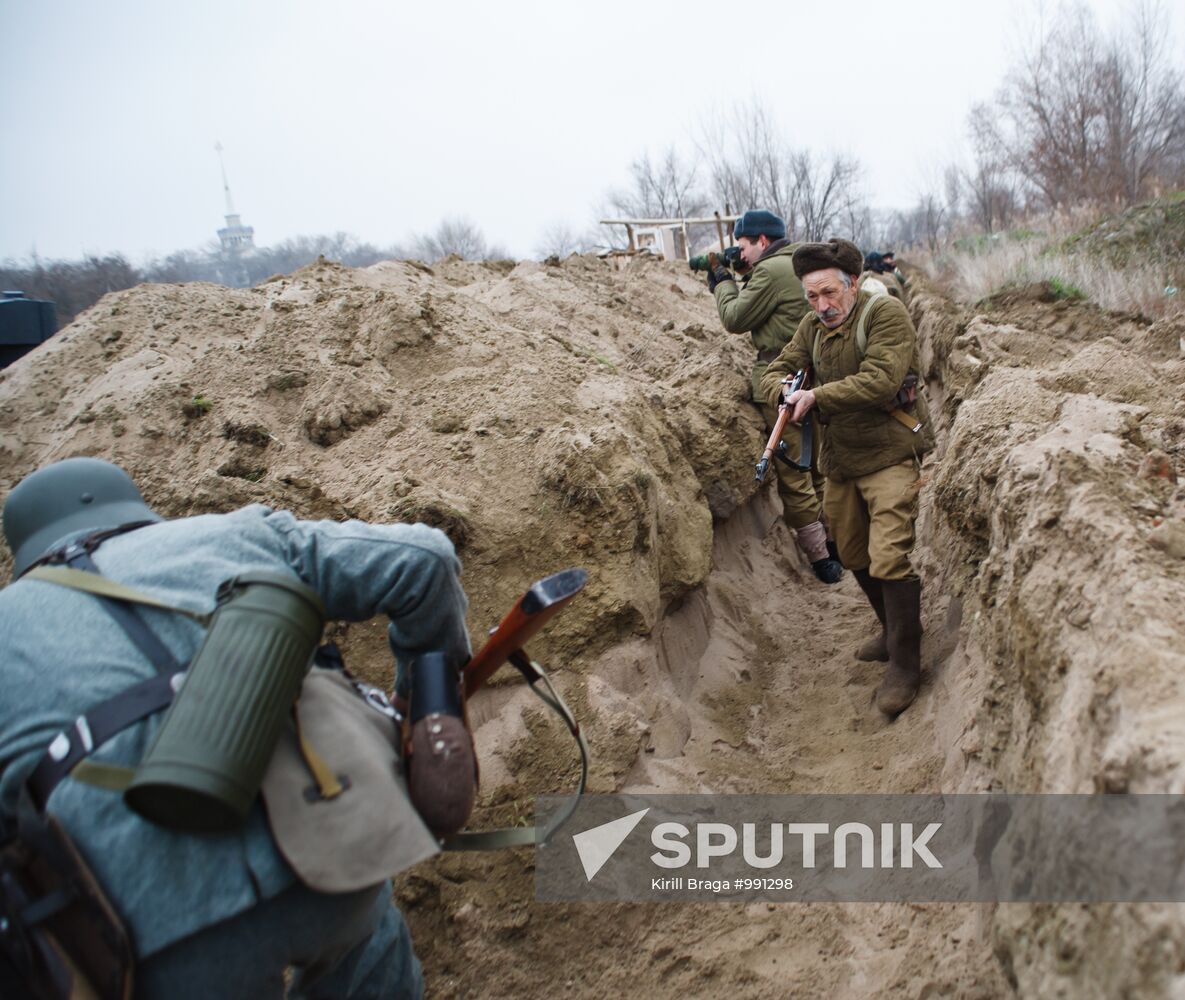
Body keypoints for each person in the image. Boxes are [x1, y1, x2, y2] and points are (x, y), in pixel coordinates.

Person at [0, 457, 472, 998]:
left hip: (154, 930)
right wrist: (423, 705)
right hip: (333, 851)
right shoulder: (232, 532)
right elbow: (426, 559)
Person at [760, 239, 935, 716]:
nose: (823, 305)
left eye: (830, 293)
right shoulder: (811, 328)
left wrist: (815, 398)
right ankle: (889, 628)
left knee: (889, 557)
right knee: (853, 552)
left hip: (889, 455)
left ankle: (905, 662)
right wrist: (784, 388)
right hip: (842, 463)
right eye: (812, 297)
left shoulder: (885, 315)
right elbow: (776, 368)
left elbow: (881, 378)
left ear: (852, 284)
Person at [706, 209, 842, 584]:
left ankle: (821, 559)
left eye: (744, 245)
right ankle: (834, 543)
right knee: (817, 466)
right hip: (818, 375)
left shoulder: (768, 271)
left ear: (762, 241)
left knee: (794, 468)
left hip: (782, 378)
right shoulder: (801, 265)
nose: (741, 253)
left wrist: (721, 282)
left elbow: (734, 318)